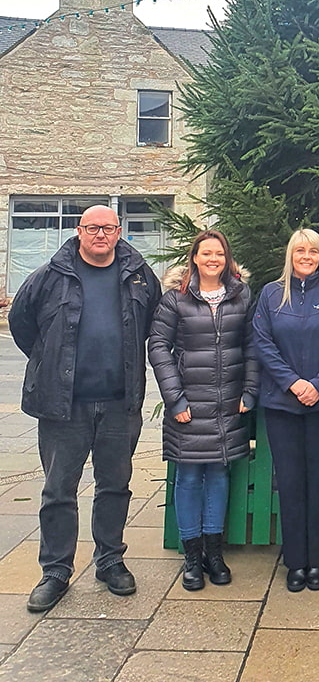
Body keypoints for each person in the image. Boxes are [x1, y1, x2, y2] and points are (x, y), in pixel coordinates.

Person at [9, 205, 161, 612]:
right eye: (92, 228)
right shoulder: (50, 275)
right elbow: (22, 323)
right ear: (79, 231)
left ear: (118, 232)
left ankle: (110, 559)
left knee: (115, 485)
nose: (100, 235)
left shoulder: (139, 274)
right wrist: (50, 363)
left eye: (108, 228)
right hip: (63, 406)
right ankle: (56, 570)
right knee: (59, 489)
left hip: (118, 403)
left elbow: (151, 323)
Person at [148, 230, 257, 591]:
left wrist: (249, 391)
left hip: (227, 402)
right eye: (206, 253)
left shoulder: (241, 296)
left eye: (219, 254)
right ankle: (192, 556)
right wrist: (175, 399)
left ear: (227, 260)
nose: (213, 259)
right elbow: (159, 348)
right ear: (194, 257)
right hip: (189, 405)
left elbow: (252, 346)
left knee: (219, 475)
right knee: (190, 477)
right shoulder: (175, 299)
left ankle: (214, 552)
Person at [252, 229, 319, 592]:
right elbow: (263, 344)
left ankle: (317, 560)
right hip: (281, 403)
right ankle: (295, 561)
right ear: (290, 255)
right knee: (290, 482)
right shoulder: (271, 294)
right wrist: (294, 383)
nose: (306, 256)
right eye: (299, 251)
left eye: (312, 251)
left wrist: (318, 385)